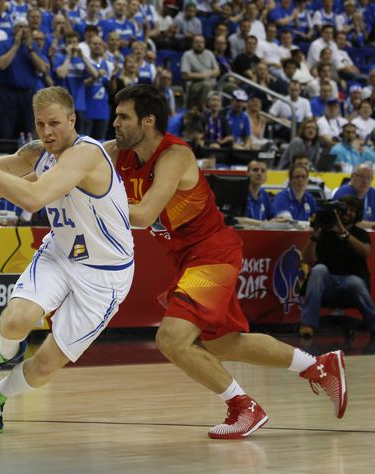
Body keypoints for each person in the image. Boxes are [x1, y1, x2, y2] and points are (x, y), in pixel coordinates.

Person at [101, 84, 346, 438]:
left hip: (213, 252)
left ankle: (243, 406)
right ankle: (319, 366)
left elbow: (143, 215)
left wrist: (92, 204)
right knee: (224, 343)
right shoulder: (119, 152)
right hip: (187, 258)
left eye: (123, 116)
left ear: (148, 121)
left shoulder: (175, 155)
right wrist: (6, 181)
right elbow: (72, 159)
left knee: (172, 338)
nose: (115, 123)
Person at [0, 86, 134, 434]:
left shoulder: (87, 153)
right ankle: (3, 353)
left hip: (105, 275)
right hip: (61, 252)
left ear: (73, 120)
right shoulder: (38, 152)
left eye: (55, 123)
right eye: (40, 124)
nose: (47, 131)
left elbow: (34, 197)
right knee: (14, 321)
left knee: (42, 370)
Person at [299, 195, 375, 338]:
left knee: (355, 282)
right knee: (319, 270)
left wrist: (343, 231)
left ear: (357, 214)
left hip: (351, 285)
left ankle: (373, 325)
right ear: (336, 212)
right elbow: (306, 258)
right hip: (326, 284)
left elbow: (365, 252)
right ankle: (307, 324)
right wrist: (315, 233)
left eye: (352, 210)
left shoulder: (361, 234)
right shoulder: (325, 233)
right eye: (344, 210)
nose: (347, 213)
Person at [333, 164, 375, 228]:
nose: (365, 181)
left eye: (369, 178)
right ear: (352, 176)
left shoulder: (372, 192)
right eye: (361, 177)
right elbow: (350, 223)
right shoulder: (344, 194)